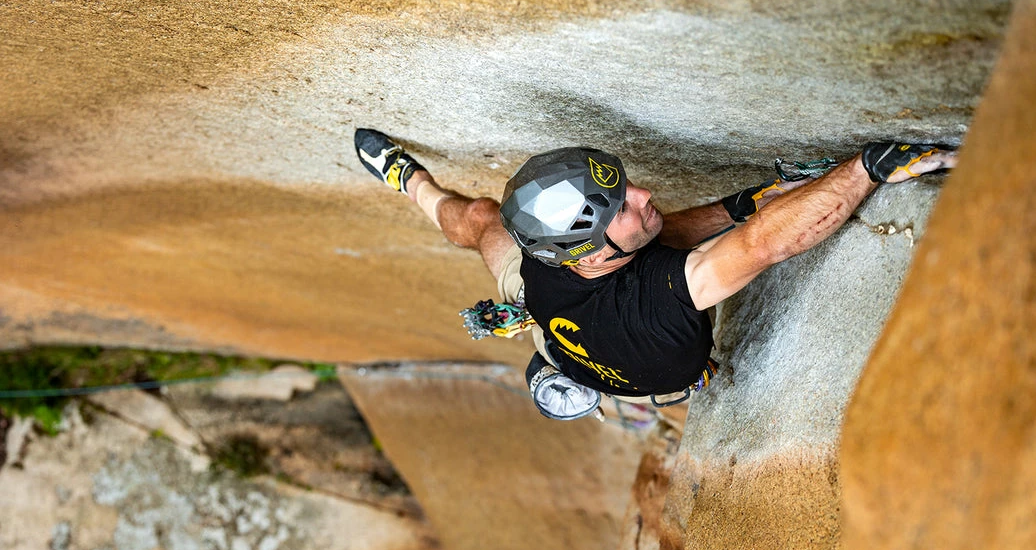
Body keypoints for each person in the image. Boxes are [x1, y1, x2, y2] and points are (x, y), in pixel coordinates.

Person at [353, 129, 956, 420]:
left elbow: (650, 237)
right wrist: (867, 169)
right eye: (620, 206)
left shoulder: (545, 263)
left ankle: (411, 183)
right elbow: (766, 244)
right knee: (631, 264)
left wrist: (747, 200)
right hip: (639, 372)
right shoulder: (660, 305)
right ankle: (587, 387)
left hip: (549, 322)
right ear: (590, 256)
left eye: (625, 188)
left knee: (484, 219)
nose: (643, 193)